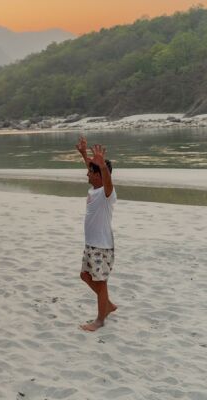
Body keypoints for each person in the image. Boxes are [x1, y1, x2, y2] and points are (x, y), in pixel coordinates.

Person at [75, 137, 118, 332]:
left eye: (91, 172)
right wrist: (85, 155)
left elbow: (107, 182)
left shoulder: (107, 194)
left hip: (101, 246)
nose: (87, 173)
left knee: (101, 283)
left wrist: (103, 167)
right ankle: (106, 304)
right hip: (91, 244)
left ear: (99, 175)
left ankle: (100, 319)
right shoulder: (95, 189)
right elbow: (94, 171)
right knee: (85, 275)